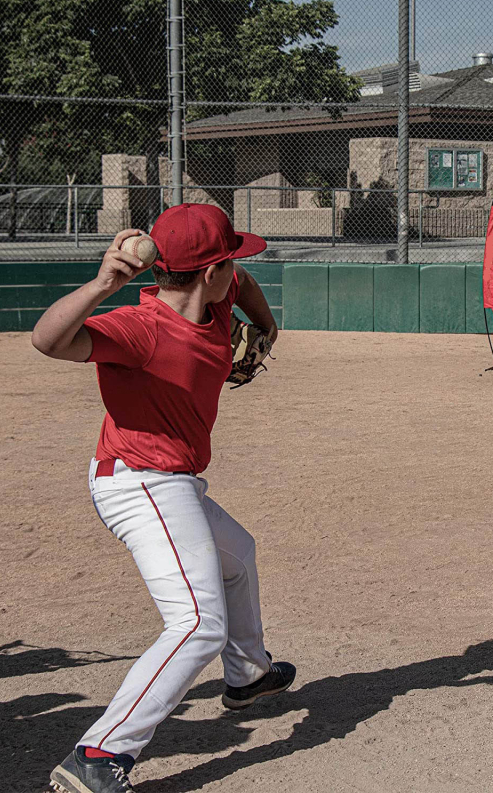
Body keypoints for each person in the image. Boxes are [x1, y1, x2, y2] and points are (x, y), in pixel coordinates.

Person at [32, 203, 296, 793]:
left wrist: (267, 327)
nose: (240, 267)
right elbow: (48, 340)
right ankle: (100, 753)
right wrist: (105, 283)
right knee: (197, 623)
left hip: (173, 481)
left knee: (237, 556)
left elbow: (247, 286)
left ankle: (248, 674)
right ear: (210, 270)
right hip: (138, 483)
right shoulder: (140, 329)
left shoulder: (218, 300)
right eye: (232, 258)